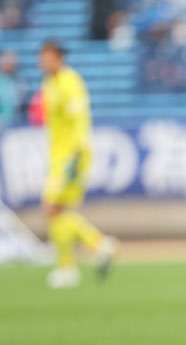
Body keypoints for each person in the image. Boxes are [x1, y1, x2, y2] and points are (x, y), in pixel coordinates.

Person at [39, 41, 116, 288]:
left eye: (48, 57)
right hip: (58, 156)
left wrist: (76, 156)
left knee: (52, 208)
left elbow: (79, 121)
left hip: (72, 156)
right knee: (58, 211)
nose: (43, 62)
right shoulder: (49, 83)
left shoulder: (70, 82)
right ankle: (97, 247)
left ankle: (71, 265)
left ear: (59, 58)